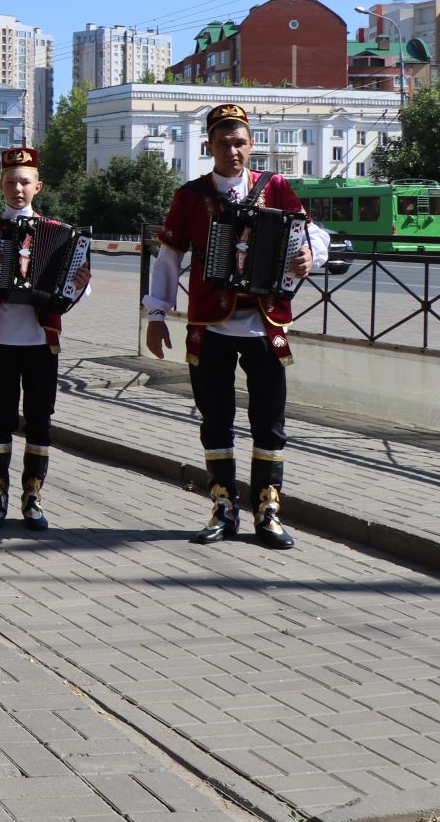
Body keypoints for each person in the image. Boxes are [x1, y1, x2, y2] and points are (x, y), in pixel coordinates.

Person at [144, 104, 327, 550]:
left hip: (265, 324)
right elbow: (168, 258)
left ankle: (267, 512)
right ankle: (223, 508)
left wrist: (311, 258)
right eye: (224, 143)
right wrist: (155, 315)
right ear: (209, 147)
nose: (233, 150)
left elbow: (311, 234)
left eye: (240, 142)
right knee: (216, 420)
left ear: (251, 145)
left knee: (270, 421)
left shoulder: (276, 187)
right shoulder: (191, 196)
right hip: (211, 323)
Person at [0, 147, 90, 531]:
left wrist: (79, 286)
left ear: (37, 186)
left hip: (43, 342)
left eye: (24, 182)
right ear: (1, 184)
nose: (17, 189)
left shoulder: (60, 234)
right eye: (10, 182)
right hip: (1, 341)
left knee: (41, 420)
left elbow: (75, 291)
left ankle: (33, 497)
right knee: (0, 417)